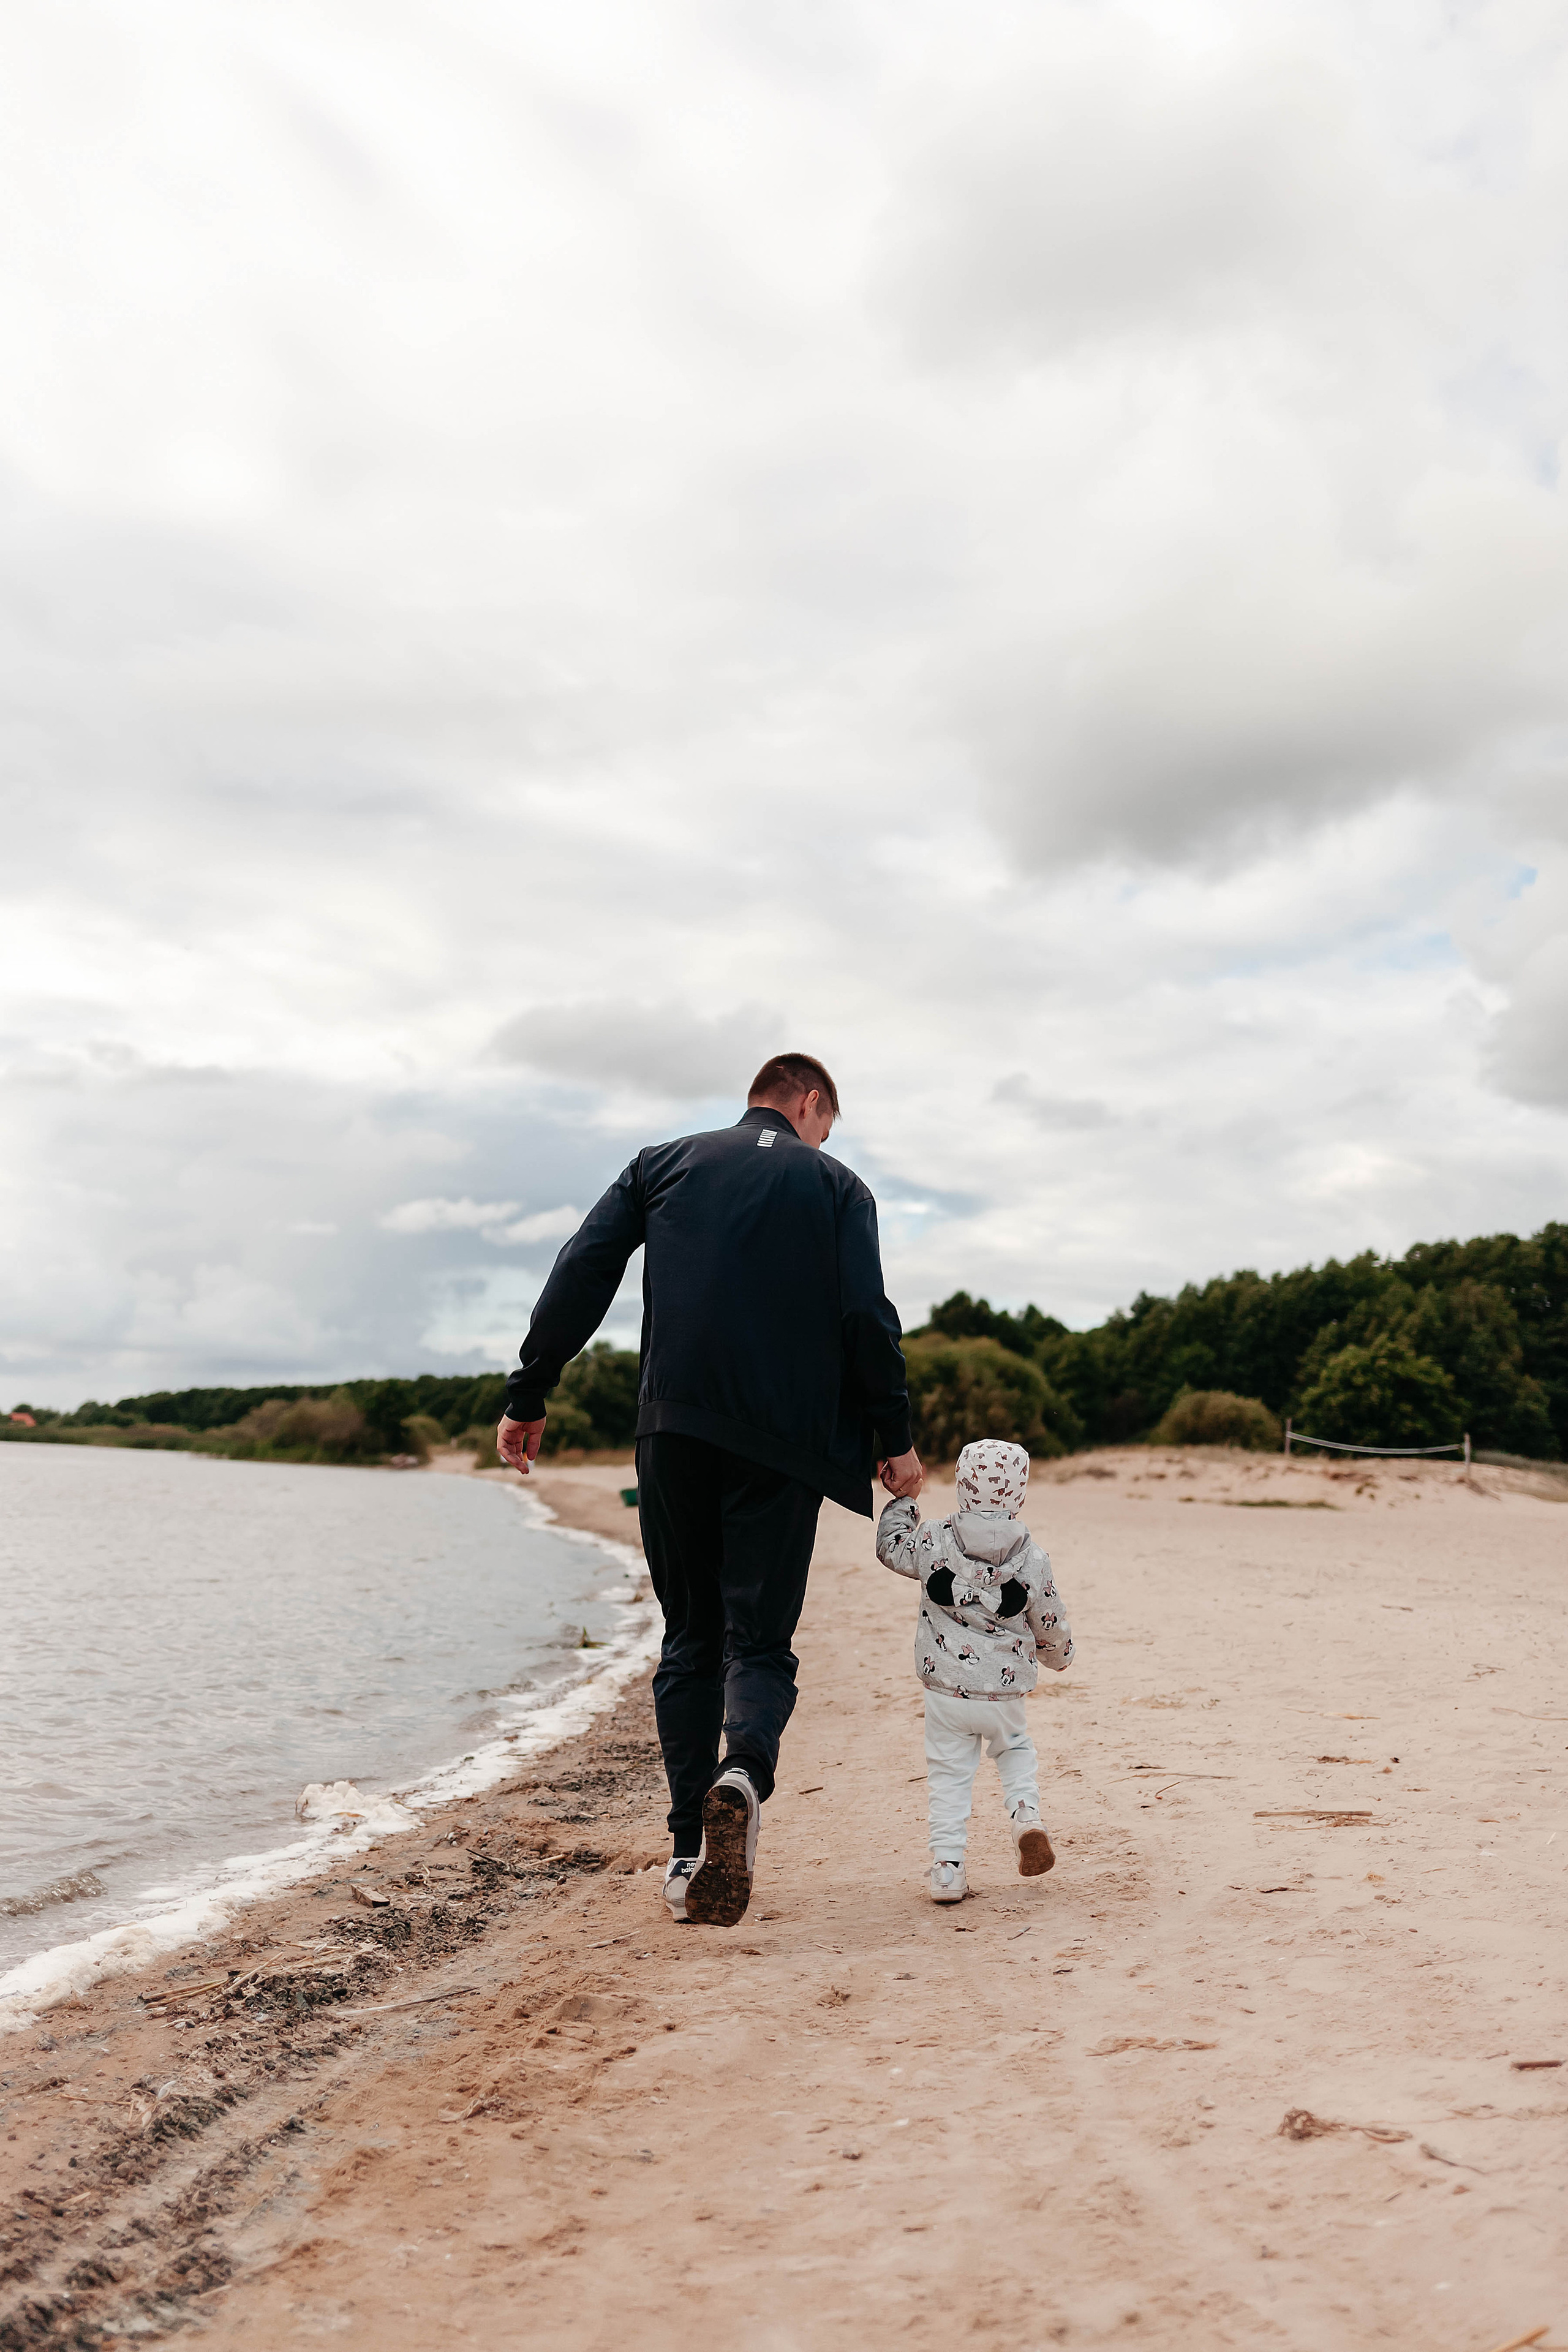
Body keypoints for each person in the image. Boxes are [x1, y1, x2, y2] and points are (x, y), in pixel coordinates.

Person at [497, 1052, 922, 1928]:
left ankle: (690, 1850)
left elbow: (584, 1269)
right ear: (809, 1104)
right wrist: (894, 1437)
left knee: (689, 1635)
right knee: (759, 1643)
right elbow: (867, 1318)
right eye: (824, 1126)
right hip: (785, 1445)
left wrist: (530, 1390)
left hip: (675, 1429)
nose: (820, 1139)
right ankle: (745, 1772)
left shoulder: (662, 1163)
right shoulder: (840, 1189)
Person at [876, 1437, 1072, 1903]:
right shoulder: (1032, 1557)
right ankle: (1025, 1814)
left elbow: (890, 1548)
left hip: (946, 1690)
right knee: (1016, 1751)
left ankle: (947, 1869)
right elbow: (1048, 1618)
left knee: (948, 1777)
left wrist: (904, 1502)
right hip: (1002, 1696)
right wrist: (1058, 1656)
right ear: (1019, 1495)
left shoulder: (933, 1539)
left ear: (962, 1487)